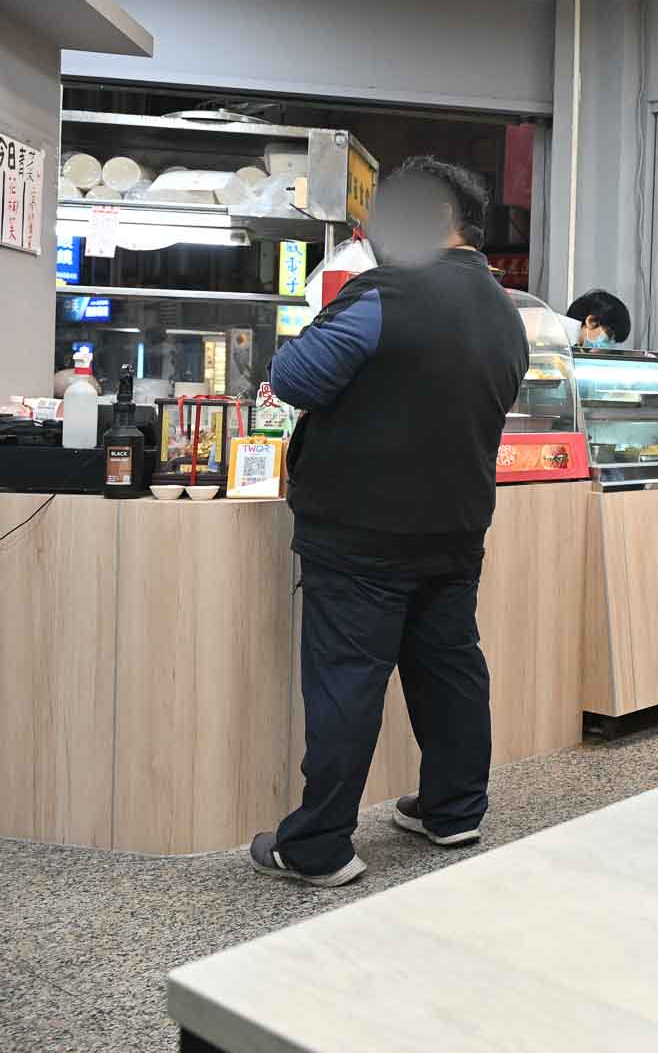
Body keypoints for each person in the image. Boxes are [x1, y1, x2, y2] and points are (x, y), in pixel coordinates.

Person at [251, 156, 527, 887]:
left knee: (348, 680)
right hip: (456, 527)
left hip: (362, 529)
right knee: (450, 669)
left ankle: (318, 847)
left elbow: (294, 378)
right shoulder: (507, 310)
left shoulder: (386, 294)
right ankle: (454, 808)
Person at [561, 289, 631, 347]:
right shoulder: (553, 347)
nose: (610, 345)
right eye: (609, 335)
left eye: (613, 341)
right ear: (591, 321)